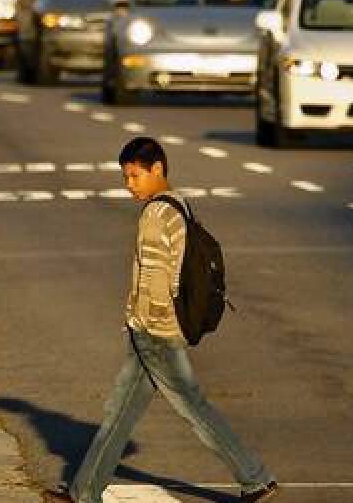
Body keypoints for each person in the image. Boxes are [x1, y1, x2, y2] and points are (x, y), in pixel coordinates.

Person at [45, 137, 279, 503]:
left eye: (135, 176)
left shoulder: (156, 214)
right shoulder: (178, 203)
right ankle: (84, 492)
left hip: (155, 332)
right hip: (157, 331)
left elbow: (156, 279)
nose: (129, 186)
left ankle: (255, 478)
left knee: (192, 408)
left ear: (157, 169)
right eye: (125, 178)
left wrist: (145, 327)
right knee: (120, 413)